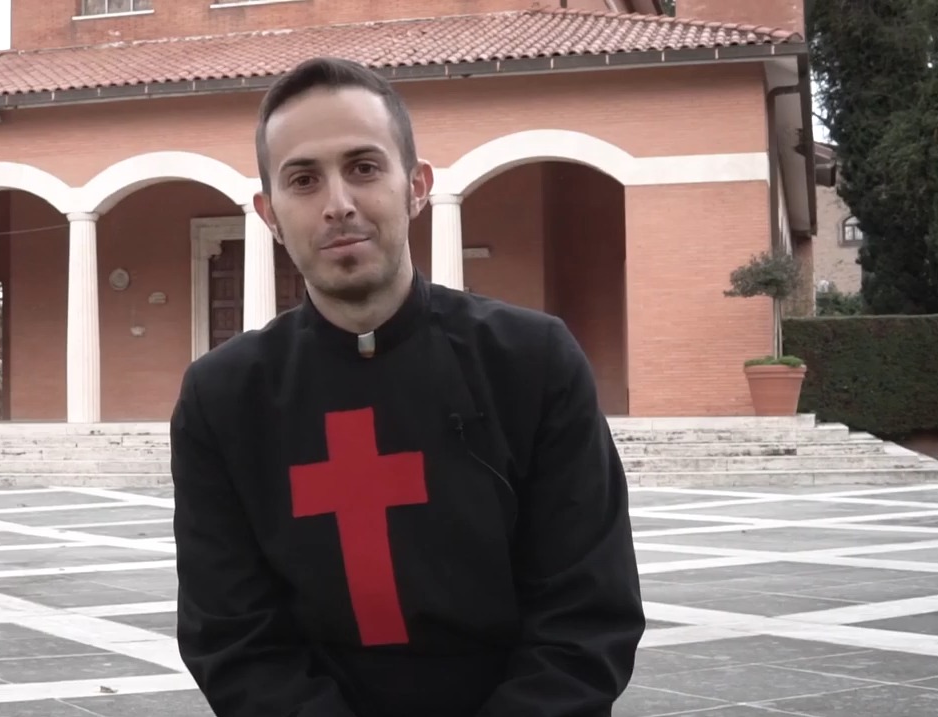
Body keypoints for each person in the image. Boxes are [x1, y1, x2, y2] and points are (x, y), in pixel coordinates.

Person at [170, 56, 645, 717]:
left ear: (416, 187)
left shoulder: (532, 362)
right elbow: (234, 637)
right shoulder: (221, 399)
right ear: (269, 214)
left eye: (364, 167)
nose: (338, 204)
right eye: (303, 179)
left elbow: (586, 616)